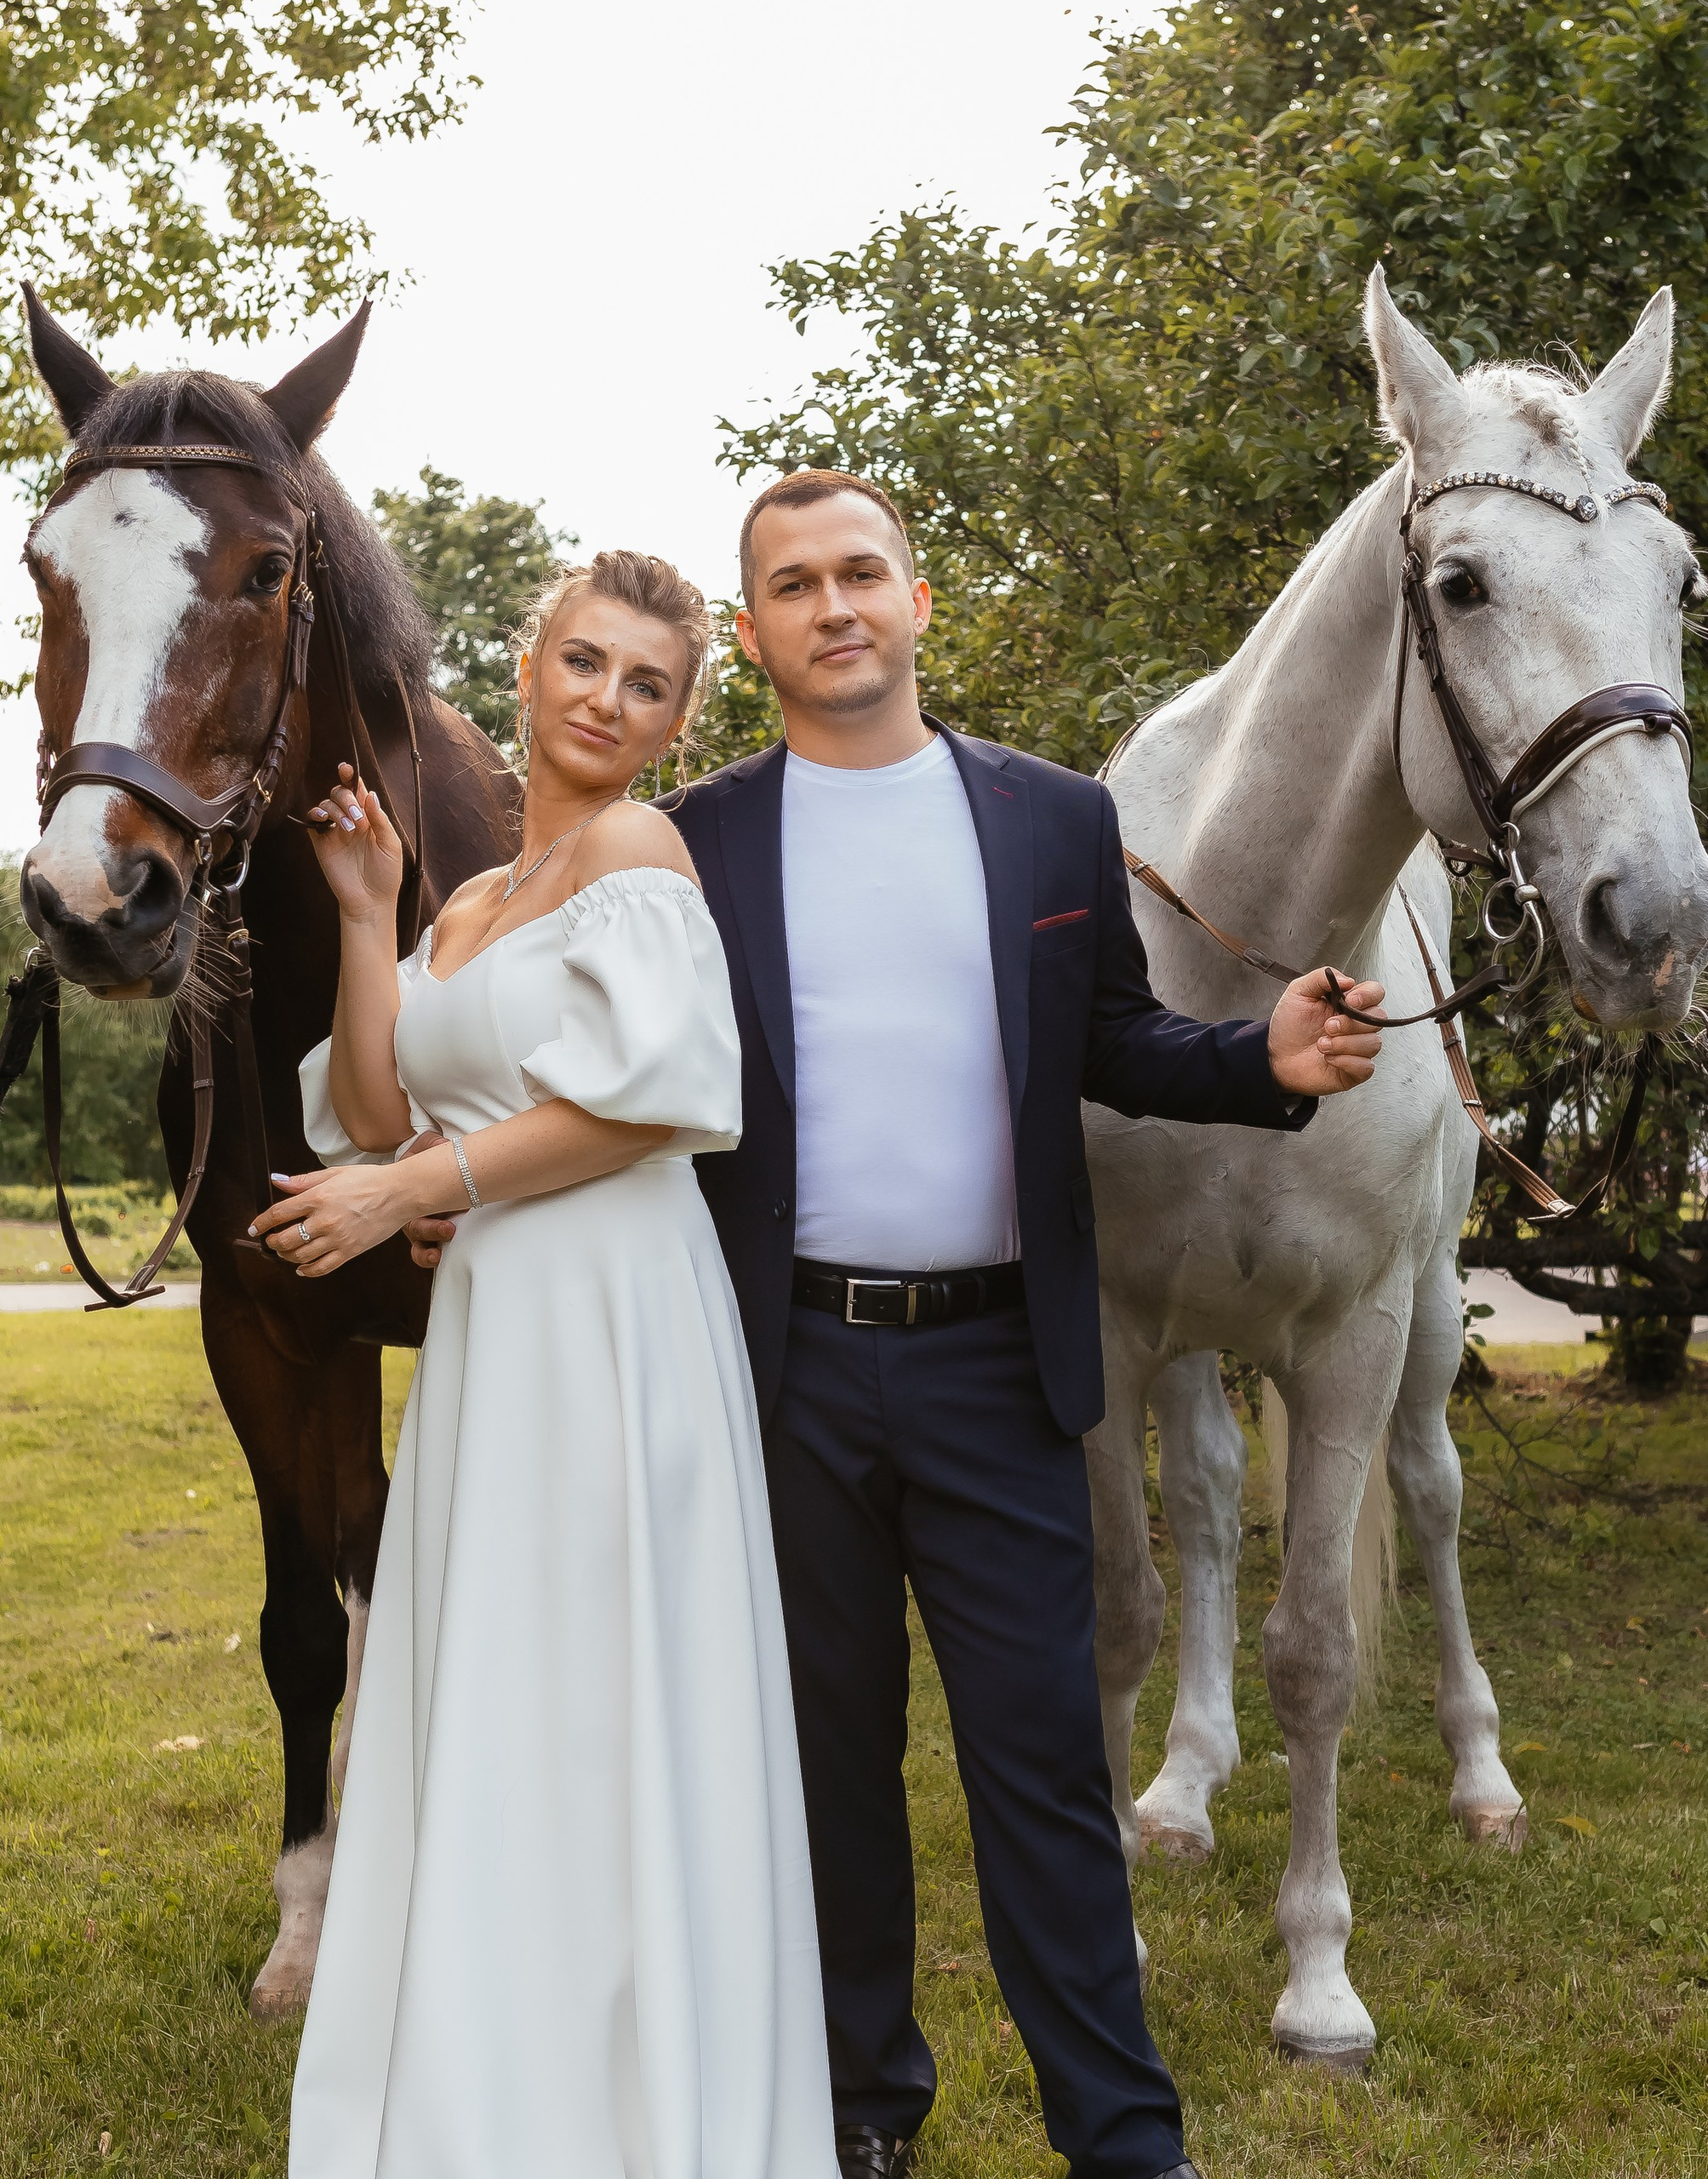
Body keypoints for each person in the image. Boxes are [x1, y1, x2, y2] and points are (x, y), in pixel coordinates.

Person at [414, 473, 1384, 2179]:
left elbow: (1116, 1045)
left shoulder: (1048, 819)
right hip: (774, 1373)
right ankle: (862, 2109)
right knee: (826, 1777)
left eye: (859, 571)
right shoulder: (694, 838)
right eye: (790, 584)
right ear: (757, 630)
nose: (833, 604)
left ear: (916, 598)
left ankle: (1123, 2135)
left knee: (1040, 1780)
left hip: (999, 1368)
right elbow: (591, 1065)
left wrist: (1263, 1062)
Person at [261, 549, 839, 2179]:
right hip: (493, 1336)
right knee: (489, 1690)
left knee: (599, 1698)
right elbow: (378, 1109)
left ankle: (630, 2107)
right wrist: (372, 919)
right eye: (584, 662)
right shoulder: (461, 903)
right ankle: (490, 2089)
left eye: (645, 683)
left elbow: (653, 1105)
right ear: (530, 667)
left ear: (673, 722)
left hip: (611, 1323)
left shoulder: (637, 852)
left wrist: (414, 1192)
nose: (605, 699)